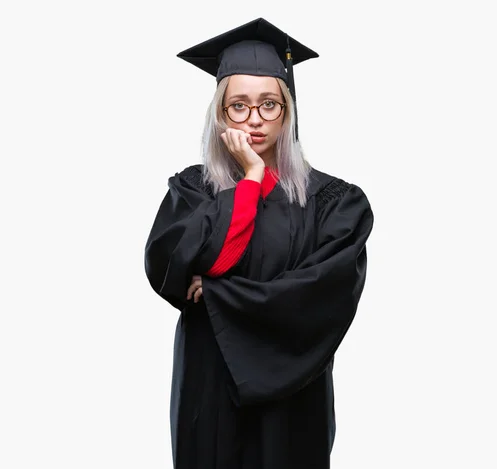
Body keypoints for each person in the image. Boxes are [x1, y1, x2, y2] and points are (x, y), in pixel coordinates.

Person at [144, 17, 374, 469]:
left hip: (295, 393)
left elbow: (321, 293)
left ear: (288, 111)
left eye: (269, 104)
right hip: (209, 389)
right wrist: (250, 179)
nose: (254, 119)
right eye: (239, 106)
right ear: (220, 113)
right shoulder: (193, 191)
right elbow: (173, 265)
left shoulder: (334, 203)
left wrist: (216, 293)